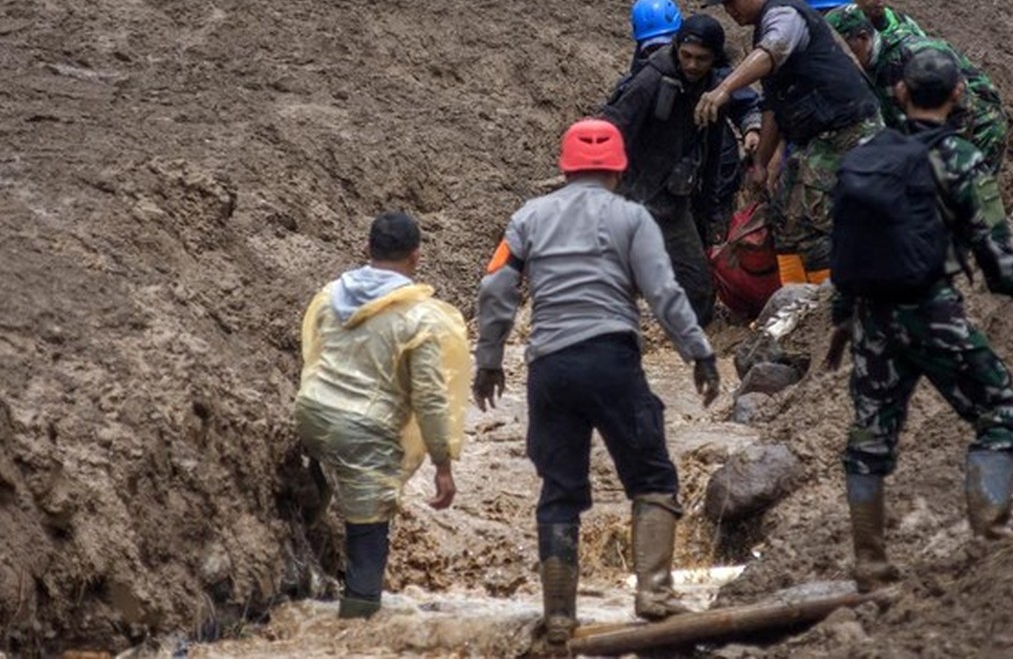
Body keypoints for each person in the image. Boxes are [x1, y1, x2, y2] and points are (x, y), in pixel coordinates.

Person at [823, 49, 1013, 593]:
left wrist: (842, 320)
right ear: (959, 95)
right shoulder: (962, 159)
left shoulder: (868, 154)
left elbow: (843, 242)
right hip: (932, 310)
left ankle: (870, 564)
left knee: (869, 437)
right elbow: (994, 249)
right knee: (1003, 412)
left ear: (900, 94)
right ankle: (992, 534)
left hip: (871, 318)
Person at [473, 119, 720, 647]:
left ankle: (560, 616)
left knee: (559, 492)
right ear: (618, 167)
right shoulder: (632, 218)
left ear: (565, 167)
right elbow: (664, 292)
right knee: (652, 476)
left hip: (549, 369)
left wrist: (489, 360)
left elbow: (496, 286)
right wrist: (698, 351)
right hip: (611, 360)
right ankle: (653, 594)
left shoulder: (529, 216)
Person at [293, 211, 469, 619]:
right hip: (361, 431)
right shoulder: (419, 319)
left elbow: (314, 350)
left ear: (367, 249)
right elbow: (429, 397)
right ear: (416, 257)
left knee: (339, 475)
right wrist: (443, 463)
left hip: (312, 415)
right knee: (369, 528)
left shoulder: (331, 293)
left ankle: (309, 558)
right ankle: (359, 620)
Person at [695, 0, 882, 286]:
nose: (730, 10)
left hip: (848, 129)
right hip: (818, 137)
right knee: (785, 217)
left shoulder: (784, 14)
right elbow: (773, 106)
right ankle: (793, 301)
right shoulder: (765, 30)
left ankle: (824, 304)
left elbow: (774, 48)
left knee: (812, 220)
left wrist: (724, 89)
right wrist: (761, 164)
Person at [603, 14, 760, 324]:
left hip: (672, 201)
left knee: (698, 285)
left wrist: (752, 128)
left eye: (701, 59)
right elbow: (612, 128)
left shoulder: (718, 85)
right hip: (631, 194)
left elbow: (734, 122)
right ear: (676, 49)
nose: (691, 65)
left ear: (714, 59)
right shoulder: (650, 80)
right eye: (686, 56)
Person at [827, 4, 1009, 175]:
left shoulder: (916, 58)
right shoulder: (872, 65)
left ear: (863, 37)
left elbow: (962, 111)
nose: (843, 58)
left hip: (980, 127)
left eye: (845, 49)